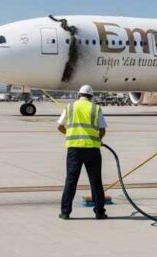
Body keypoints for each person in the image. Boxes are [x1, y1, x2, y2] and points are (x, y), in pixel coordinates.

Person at [58, 84, 107, 220]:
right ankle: (99, 212)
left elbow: (60, 126)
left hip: (74, 149)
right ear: (91, 96)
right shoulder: (95, 108)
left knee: (71, 180)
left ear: (78, 95)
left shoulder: (70, 107)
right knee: (96, 181)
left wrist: (71, 135)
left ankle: (65, 212)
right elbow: (102, 130)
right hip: (92, 149)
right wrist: (98, 139)